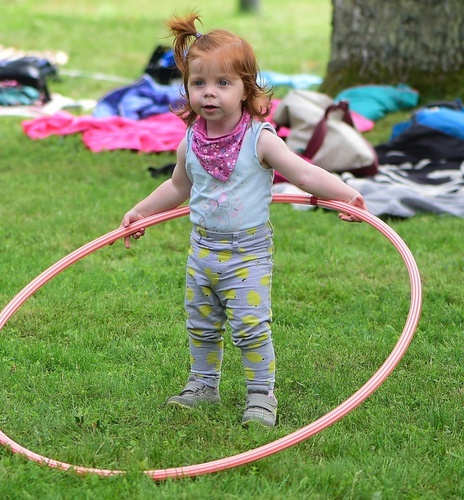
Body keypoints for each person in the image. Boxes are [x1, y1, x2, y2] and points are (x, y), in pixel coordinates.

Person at [119, 11, 368, 428]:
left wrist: (345, 195)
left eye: (222, 83)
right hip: (202, 251)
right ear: (187, 89)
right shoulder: (190, 141)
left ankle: (260, 395)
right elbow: (178, 187)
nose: (209, 93)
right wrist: (143, 210)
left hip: (246, 254)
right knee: (201, 325)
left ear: (245, 88)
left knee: (251, 328)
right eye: (198, 84)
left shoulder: (260, 139)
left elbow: (304, 173)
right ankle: (203, 385)